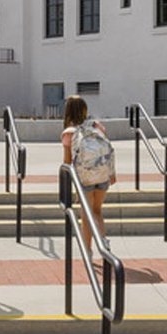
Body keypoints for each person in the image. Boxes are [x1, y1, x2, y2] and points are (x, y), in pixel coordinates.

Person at [60, 96, 116, 258]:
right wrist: (112, 173)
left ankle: (88, 250)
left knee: (86, 215)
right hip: (102, 175)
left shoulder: (68, 133)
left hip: (84, 179)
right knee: (97, 210)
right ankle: (104, 243)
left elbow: (67, 162)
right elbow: (107, 150)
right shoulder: (97, 126)